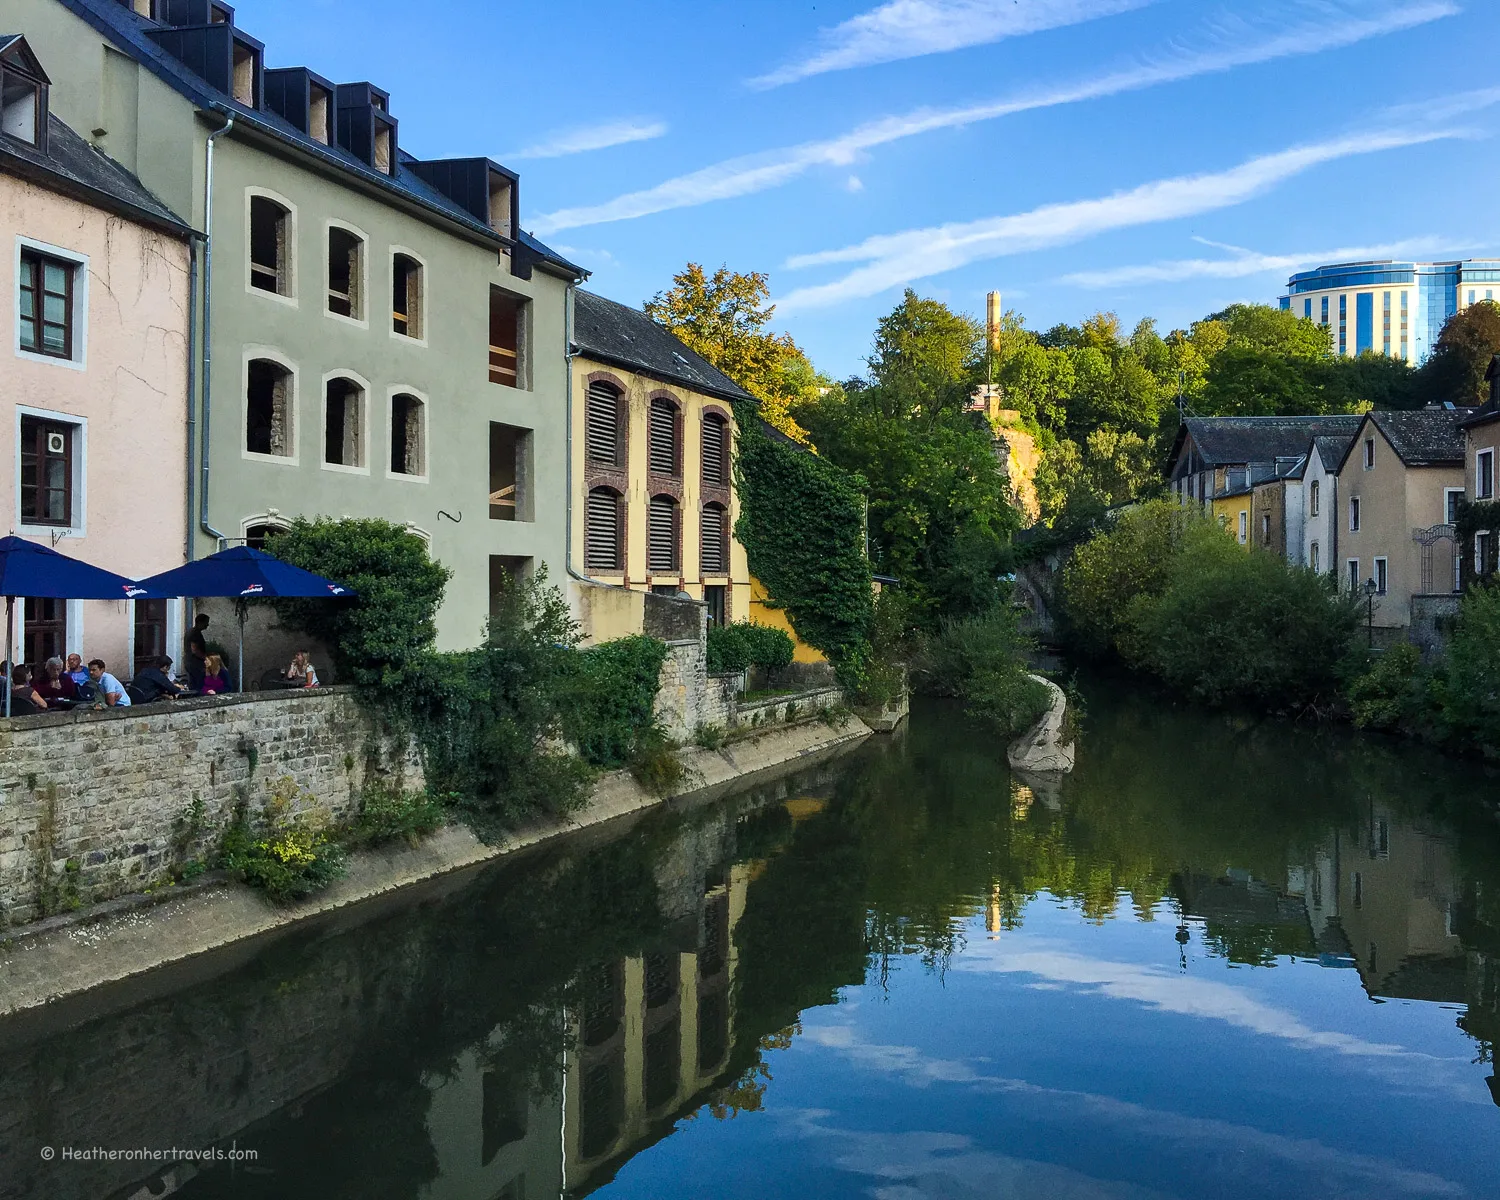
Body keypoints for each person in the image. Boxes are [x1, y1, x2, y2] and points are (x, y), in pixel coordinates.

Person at [186, 613, 210, 689]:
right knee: (199, 686)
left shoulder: (193, 632)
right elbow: (195, 650)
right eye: (206, 622)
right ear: (200, 622)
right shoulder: (194, 633)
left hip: (192, 663)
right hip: (195, 665)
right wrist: (207, 658)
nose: (207, 625)